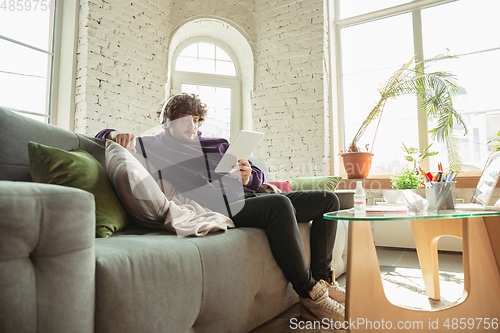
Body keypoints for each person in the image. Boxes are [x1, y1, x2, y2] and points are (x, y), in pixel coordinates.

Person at [96, 93, 346, 323]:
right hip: (222, 206)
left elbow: (256, 175)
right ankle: (310, 293)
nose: (192, 126)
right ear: (168, 122)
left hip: (246, 196)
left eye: (196, 120)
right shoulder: (155, 145)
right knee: (279, 204)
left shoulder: (218, 143)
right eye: (185, 120)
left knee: (328, 200)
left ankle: (323, 277)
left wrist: (250, 177)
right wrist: (115, 133)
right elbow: (98, 139)